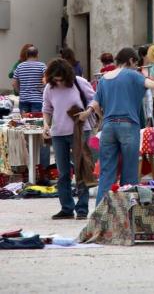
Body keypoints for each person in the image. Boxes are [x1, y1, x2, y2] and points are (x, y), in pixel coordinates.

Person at [78, 47, 154, 205]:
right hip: (128, 126)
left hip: (108, 127)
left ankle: (101, 213)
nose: (137, 67)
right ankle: (127, 212)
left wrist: (89, 113)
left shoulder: (104, 78)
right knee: (129, 174)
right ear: (130, 61)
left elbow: (95, 104)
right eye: (136, 63)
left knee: (107, 173)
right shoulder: (134, 75)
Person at [42, 58, 96, 220]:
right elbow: (47, 108)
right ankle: (66, 207)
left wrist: (87, 112)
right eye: (55, 78)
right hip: (58, 133)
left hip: (79, 131)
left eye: (60, 78)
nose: (58, 81)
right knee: (63, 172)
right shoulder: (49, 88)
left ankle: (82, 209)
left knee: (81, 169)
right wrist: (46, 125)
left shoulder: (79, 82)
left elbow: (95, 99)